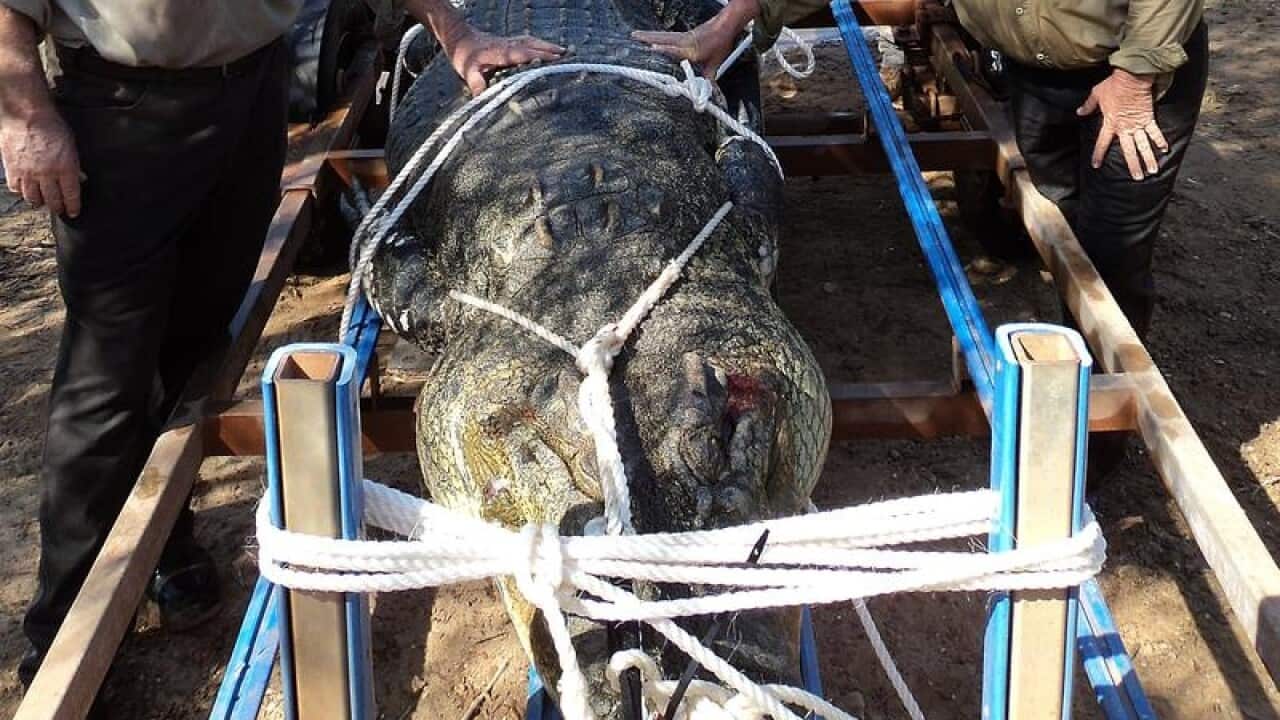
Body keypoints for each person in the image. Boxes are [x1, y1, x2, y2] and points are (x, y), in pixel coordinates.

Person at [0, 0, 561, 706]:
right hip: (122, 111)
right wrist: (26, 115)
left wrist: (458, 33)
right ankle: (62, 642)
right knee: (106, 380)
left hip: (251, 99)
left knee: (196, 349)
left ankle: (167, 548)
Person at [635, 0, 1208, 340]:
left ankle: (1090, 449)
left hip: (1133, 79)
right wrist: (739, 16)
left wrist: (1136, 74)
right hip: (1035, 74)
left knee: (1110, 254)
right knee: (1055, 208)